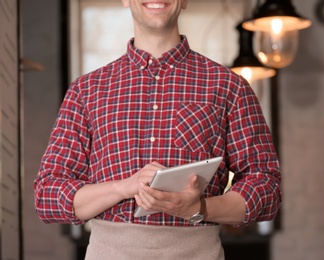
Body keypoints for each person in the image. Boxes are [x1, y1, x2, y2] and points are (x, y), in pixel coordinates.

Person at [34, 0, 282, 259]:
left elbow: (266, 186)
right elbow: (48, 194)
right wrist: (123, 188)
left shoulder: (229, 87)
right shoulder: (86, 91)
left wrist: (199, 208)